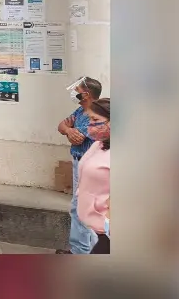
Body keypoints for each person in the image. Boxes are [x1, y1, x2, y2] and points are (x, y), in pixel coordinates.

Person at [56, 76, 104, 254]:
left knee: (81, 208)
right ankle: (88, 248)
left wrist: (71, 132)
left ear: (87, 94)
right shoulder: (79, 111)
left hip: (88, 165)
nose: (74, 94)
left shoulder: (96, 114)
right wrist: (68, 130)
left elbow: (79, 138)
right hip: (78, 163)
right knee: (81, 206)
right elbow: (62, 126)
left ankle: (80, 251)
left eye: (77, 91)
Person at [76, 97, 110, 254]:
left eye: (95, 119)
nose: (89, 124)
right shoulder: (99, 144)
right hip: (98, 228)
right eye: (89, 118)